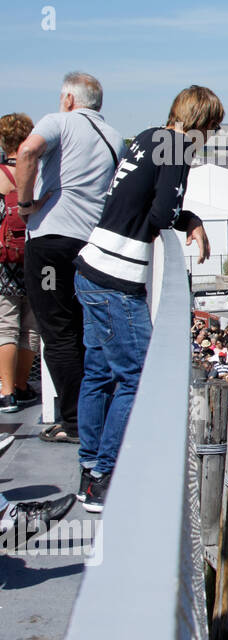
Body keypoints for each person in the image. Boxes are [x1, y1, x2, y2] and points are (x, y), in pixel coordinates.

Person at [72, 85, 218, 511]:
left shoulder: (146, 137)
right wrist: (190, 219)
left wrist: (183, 216)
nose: (211, 136)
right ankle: (105, 475)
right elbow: (162, 215)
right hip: (117, 279)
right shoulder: (177, 147)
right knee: (137, 378)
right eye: (213, 126)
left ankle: (88, 468)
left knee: (98, 374)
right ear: (200, 122)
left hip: (91, 267)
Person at [13, 73, 125, 446]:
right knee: (83, 330)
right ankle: (92, 414)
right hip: (90, 245)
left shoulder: (58, 121)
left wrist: (25, 204)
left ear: (68, 98)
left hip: (50, 242)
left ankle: (74, 422)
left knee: (56, 331)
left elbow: (27, 152)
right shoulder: (115, 137)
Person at [0, 114, 40, 413]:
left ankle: (6, 391)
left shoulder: (0, 175)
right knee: (30, 327)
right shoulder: (38, 173)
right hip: (36, 256)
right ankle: (24, 385)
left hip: (4, 261)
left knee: (6, 326)